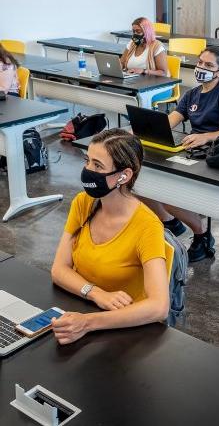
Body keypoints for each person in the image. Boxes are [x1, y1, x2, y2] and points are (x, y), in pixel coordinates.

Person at [51, 128, 169, 345]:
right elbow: (59, 269)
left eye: (97, 165)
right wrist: (96, 293)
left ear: (124, 175)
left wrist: (87, 323)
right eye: (87, 161)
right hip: (84, 310)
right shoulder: (83, 203)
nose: (87, 170)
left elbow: (159, 306)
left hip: (125, 329)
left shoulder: (147, 226)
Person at [142, 46, 219, 263]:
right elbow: (170, 122)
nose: (201, 68)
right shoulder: (192, 94)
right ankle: (171, 221)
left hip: (214, 153)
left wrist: (205, 137)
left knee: (170, 196)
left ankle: (202, 235)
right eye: (200, 63)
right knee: (139, 183)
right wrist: (142, 129)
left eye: (208, 65)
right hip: (191, 149)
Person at [120, 17, 173, 105]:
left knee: (133, 102)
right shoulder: (132, 44)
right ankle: (135, 118)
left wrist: (144, 71)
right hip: (137, 84)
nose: (135, 34)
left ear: (147, 32)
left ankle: (139, 118)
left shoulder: (157, 46)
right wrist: (116, 68)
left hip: (159, 87)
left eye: (138, 31)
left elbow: (163, 72)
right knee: (124, 100)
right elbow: (121, 62)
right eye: (133, 31)